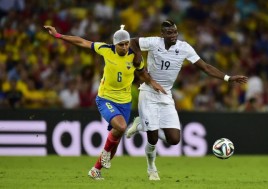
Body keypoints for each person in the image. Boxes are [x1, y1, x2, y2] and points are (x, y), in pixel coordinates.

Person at [126, 20, 248, 180]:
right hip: (148, 91)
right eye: (170, 33)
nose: (174, 35)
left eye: (175, 32)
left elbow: (205, 67)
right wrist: (138, 54)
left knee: (175, 139)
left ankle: (140, 125)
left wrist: (228, 78)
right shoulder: (153, 42)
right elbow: (133, 41)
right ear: (162, 34)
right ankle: (152, 169)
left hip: (166, 94)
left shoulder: (184, 48)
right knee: (153, 137)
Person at [44, 24, 166, 180]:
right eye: (121, 44)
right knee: (121, 126)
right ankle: (105, 155)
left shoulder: (134, 57)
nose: (124, 47)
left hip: (125, 102)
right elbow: (82, 42)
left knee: (116, 139)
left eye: (127, 43)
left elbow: (143, 75)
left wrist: (155, 84)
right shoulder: (106, 49)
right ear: (115, 44)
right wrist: (59, 36)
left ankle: (95, 170)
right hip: (105, 98)